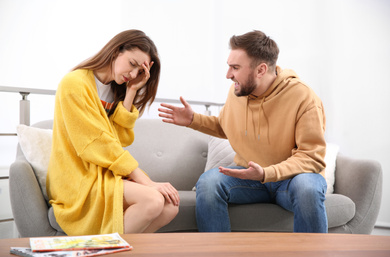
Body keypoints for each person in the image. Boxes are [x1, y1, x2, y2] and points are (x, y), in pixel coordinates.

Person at [158, 30, 327, 233]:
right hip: (251, 179)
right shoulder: (238, 91)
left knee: (308, 187)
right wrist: (193, 120)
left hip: (291, 180)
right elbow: (226, 127)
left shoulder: (303, 97)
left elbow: (311, 157)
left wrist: (267, 173)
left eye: (235, 68)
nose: (228, 75)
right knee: (209, 183)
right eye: (229, 66)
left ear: (261, 70)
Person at [47, 29, 179, 236]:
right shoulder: (74, 83)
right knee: (153, 199)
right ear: (116, 51)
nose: (133, 74)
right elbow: (96, 144)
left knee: (170, 206)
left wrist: (132, 91)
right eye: (133, 64)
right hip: (78, 178)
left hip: (105, 173)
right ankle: (105, 252)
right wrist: (147, 182)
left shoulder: (116, 89)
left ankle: (122, 251)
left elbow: (119, 140)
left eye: (140, 71)